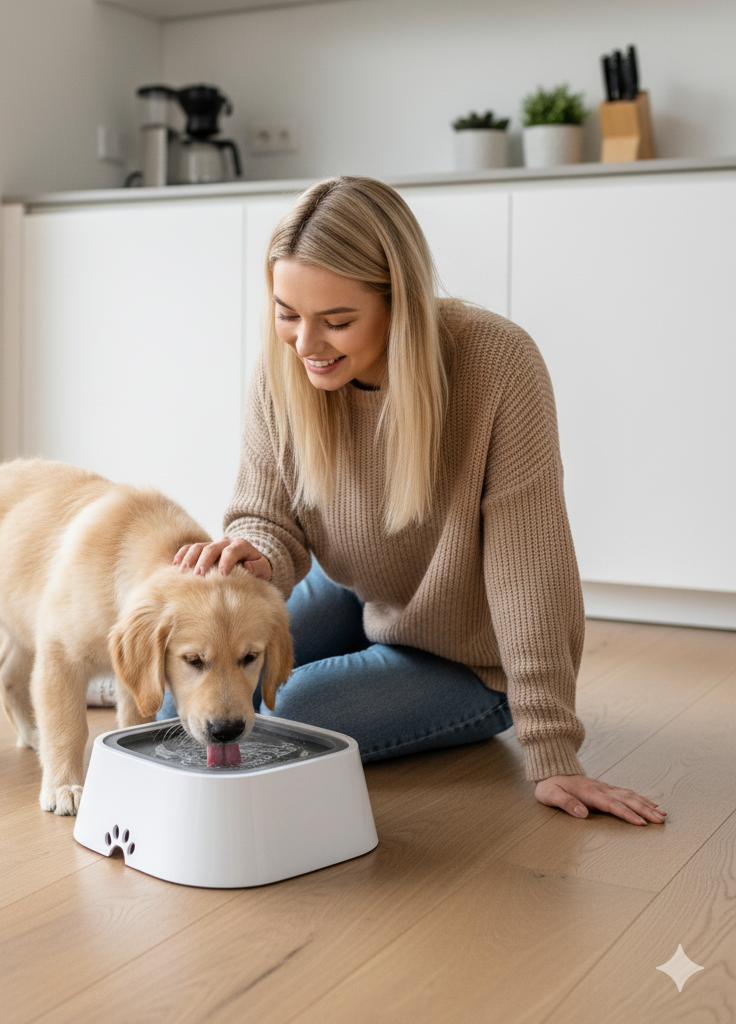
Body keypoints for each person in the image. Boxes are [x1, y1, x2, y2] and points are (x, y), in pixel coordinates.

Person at [166, 176, 665, 827]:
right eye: (287, 313)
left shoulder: (497, 363)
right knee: (186, 709)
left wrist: (552, 750)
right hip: (364, 593)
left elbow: (529, 570)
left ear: (398, 302)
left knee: (272, 721)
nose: (306, 344)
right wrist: (253, 554)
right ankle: (104, 677)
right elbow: (268, 516)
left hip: (468, 657)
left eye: (337, 321)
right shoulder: (284, 365)